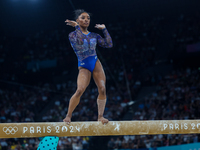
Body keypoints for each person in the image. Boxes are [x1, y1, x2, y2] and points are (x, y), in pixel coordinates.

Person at [63, 9, 113, 124]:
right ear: (77, 20)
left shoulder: (94, 35)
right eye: (83, 18)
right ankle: (68, 115)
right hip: (84, 65)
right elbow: (81, 41)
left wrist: (104, 29)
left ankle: (100, 116)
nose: (86, 20)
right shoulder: (72, 35)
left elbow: (109, 44)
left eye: (88, 18)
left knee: (102, 89)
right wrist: (76, 27)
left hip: (95, 62)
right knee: (80, 90)